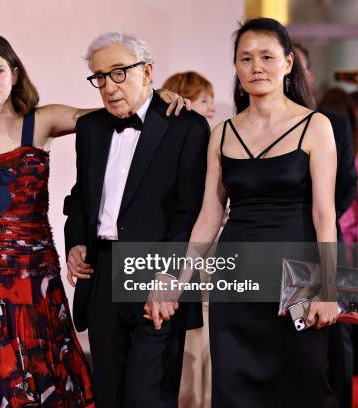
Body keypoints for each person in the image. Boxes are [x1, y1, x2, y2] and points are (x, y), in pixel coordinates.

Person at [0, 33, 188, 407]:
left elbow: (112, 110)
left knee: (38, 385)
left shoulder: (41, 121)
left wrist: (158, 99)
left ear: (14, 73)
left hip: (32, 280)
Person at [147, 18, 340, 407]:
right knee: (236, 390)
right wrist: (176, 278)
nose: (256, 67)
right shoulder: (223, 133)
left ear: (288, 64)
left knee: (302, 387)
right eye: (245, 59)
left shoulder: (314, 126)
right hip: (235, 281)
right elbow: (209, 215)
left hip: (299, 278)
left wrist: (329, 288)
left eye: (267, 57)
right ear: (235, 67)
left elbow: (324, 213)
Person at [64, 32, 209, 408]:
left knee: (149, 396)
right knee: (108, 395)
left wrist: (170, 275)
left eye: (118, 73)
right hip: (102, 275)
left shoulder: (186, 127)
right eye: (99, 77)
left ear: (147, 72)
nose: (108, 86)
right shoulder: (90, 128)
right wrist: (76, 242)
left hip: (157, 272)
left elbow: (190, 211)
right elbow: (81, 198)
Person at [294, 43, 358, 408]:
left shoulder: (332, 123)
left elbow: (347, 183)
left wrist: (321, 223)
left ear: (309, 74)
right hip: (273, 246)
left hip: (325, 239)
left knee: (334, 335)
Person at [162, 71, 216, 408]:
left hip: (215, 255)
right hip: (189, 253)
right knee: (192, 341)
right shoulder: (181, 145)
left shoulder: (217, 138)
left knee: (208, 341)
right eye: (204, 99)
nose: (211, 107)